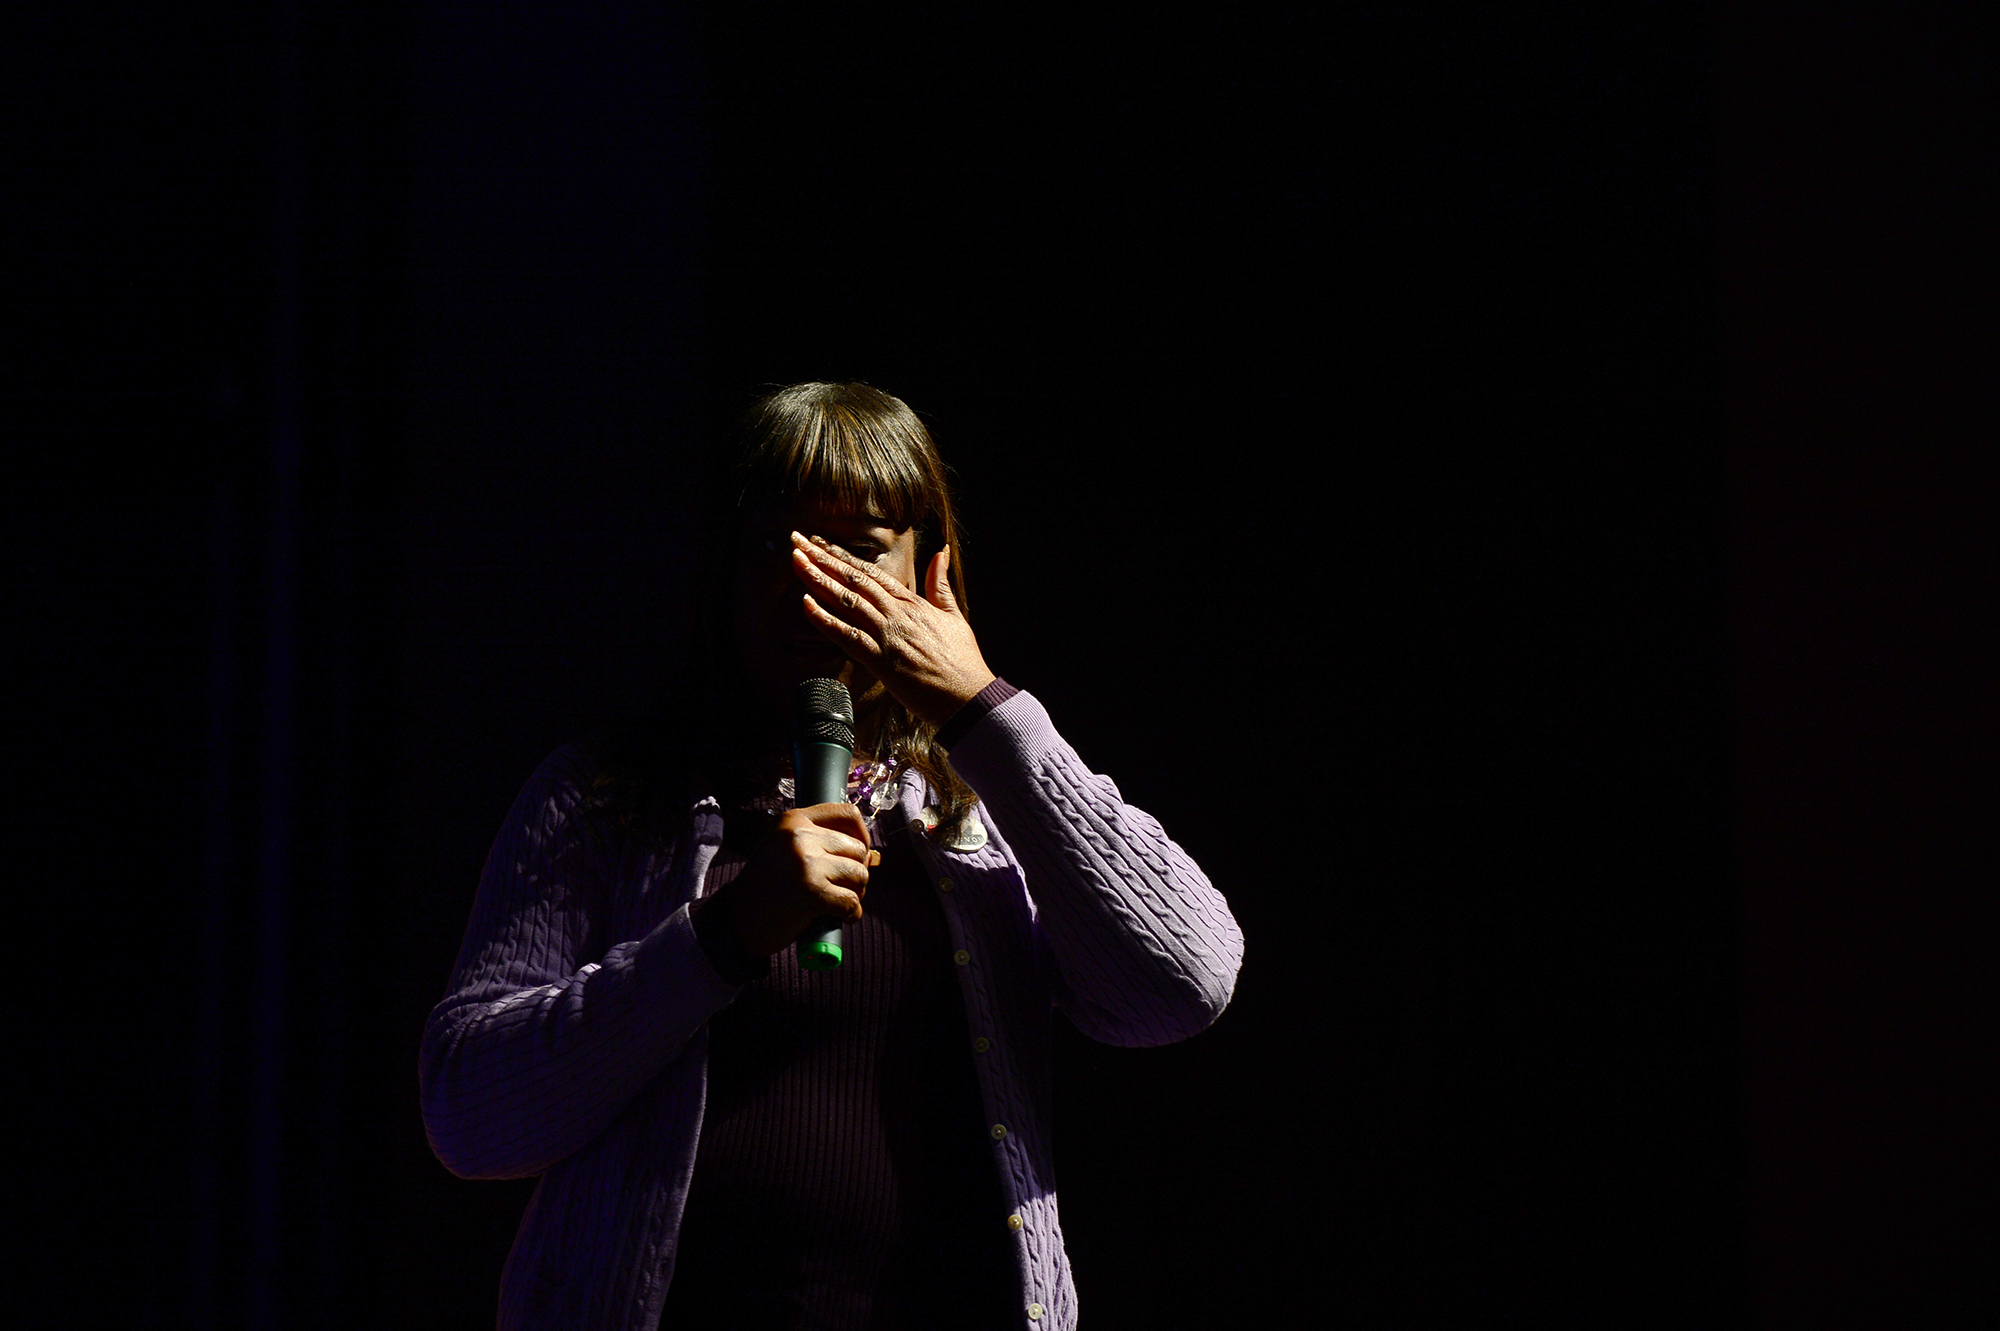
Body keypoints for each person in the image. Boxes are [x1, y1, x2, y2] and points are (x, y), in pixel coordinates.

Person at [420, 382, 1244, 1331]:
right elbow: (468, 1110)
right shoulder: (607, 797)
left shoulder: (988, 802)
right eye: (775, 543)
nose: (811, 582)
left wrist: (980, 709)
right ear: (723, 571)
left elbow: (1185, 982)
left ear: (931, 572)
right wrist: (720, 937)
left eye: (858, 549)